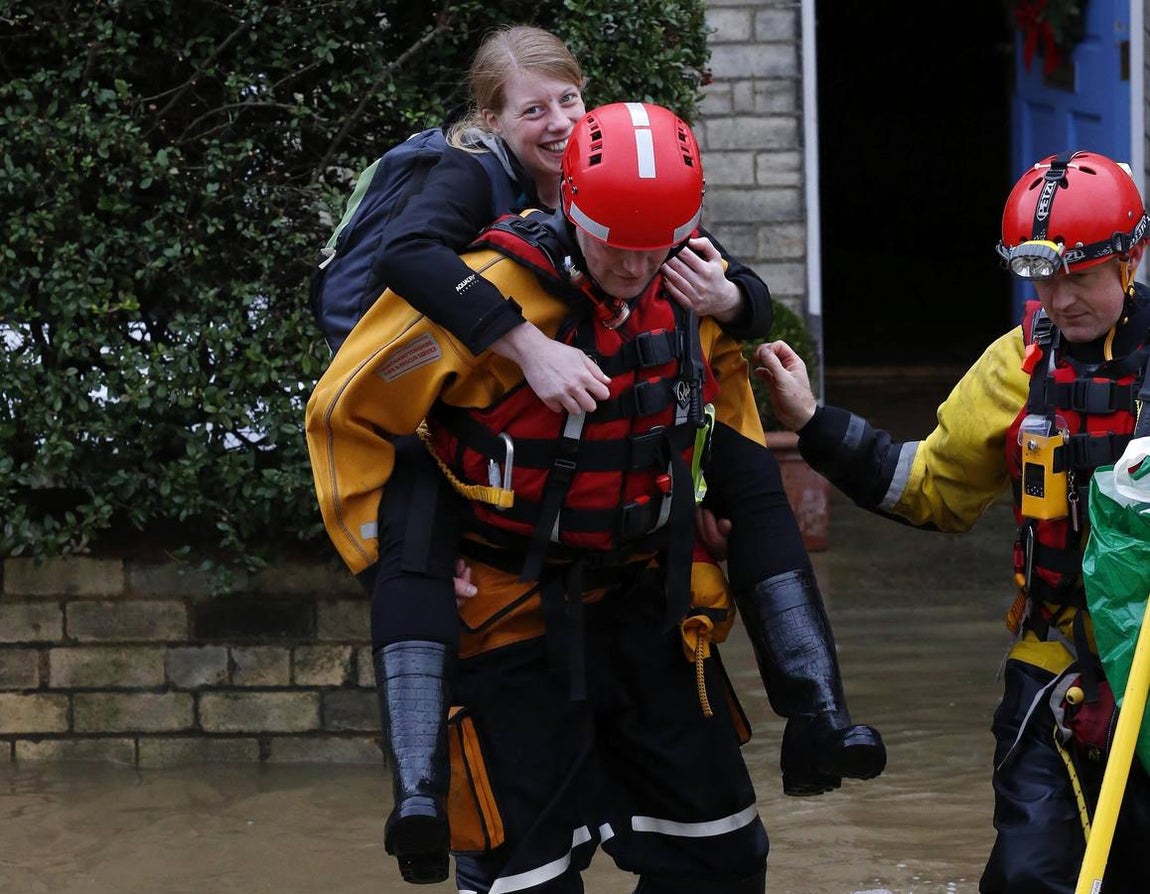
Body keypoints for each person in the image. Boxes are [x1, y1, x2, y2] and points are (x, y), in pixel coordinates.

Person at [347, 25, 882, 885]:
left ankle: (818, 708)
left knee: (722, 857)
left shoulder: (667, 238)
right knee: (413, 528)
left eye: (569, 102)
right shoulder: (475, 214)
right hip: (506, 571)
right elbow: (352, 403)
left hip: (641, 587)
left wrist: (737, 299)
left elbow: (737, 326)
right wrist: (522, 344)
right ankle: (415, 789)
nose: (638, 262)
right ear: (495, 121)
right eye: (534, 109)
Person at [752, 148, 1150, 894]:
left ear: (1132, 259)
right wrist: (810, 421)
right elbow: (929, 487)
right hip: (1054, 667)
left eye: (1082, 277)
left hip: (1149, 671)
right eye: (1044, 278)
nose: (1060, 299)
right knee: (1030, 877)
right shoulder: (1017, 367)